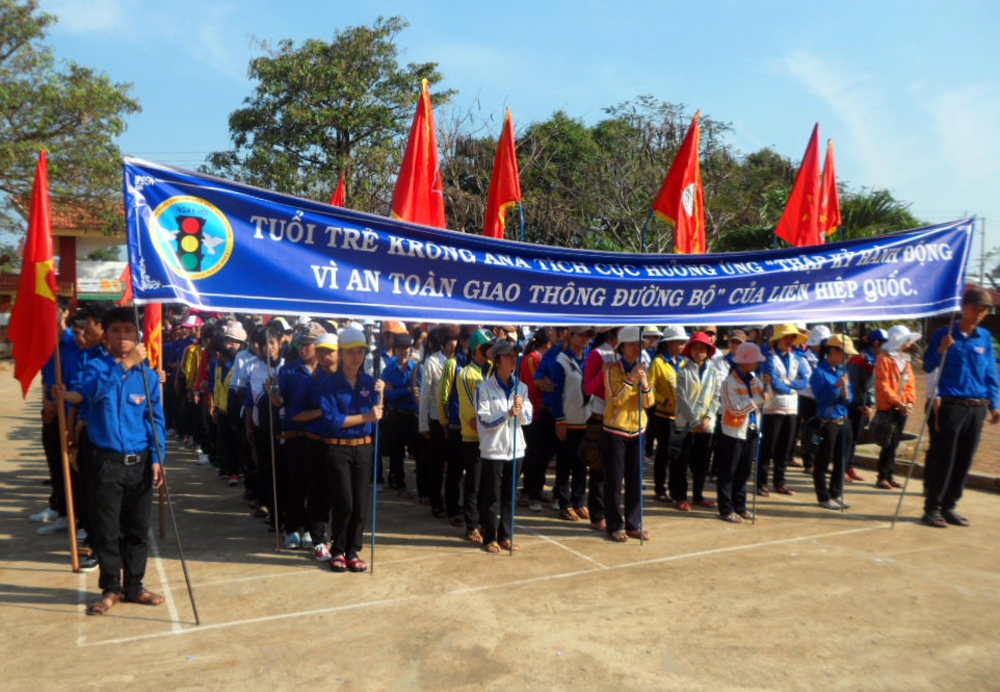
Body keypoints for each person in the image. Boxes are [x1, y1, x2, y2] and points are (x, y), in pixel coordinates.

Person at [70, 307, 166, 615]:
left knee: (137, 529)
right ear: (106, 336)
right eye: (115, 331)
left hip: (139, 462)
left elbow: (156, 419)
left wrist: (158, 457)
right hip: (105, 463)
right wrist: (123, 365)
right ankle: (111, 588)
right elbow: (90, 394)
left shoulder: (148, 375)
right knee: (106, 530)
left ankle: (135, 585)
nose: (122, 336)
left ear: (137, 335)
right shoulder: (93, 367)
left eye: (128, 330)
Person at [920, 287, 1000, 528]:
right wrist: (942, 349)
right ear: (965, 307)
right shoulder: (944, 333)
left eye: (984, 310)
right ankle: (932, 508)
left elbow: (990, 373)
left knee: (965, 459)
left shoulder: (985, 337)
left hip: (977, 407)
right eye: (976, 307)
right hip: (951, 405)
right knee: (945, 458)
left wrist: (995, 404)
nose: (979, 313)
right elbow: (927, 365)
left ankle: (950, 506)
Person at [315, 327, 383, 572]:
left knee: (361, 504)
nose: (356, 356)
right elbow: (332, 420)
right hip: (338, 449)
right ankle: (338, 549)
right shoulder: (329, 384)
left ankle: (353, 550)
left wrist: (381, 396)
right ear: (341, 354)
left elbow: (377, 415)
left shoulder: (370, 383)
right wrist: (366, 416)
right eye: (351, 352)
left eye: (361, 351)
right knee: (344, 502)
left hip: (363, 448)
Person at [476, 340, 533, 553]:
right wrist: (507, 413)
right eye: (508, 356)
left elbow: (528, 418)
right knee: (492, 496)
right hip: (493, 450)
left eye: (514, 356)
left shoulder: (522, 387)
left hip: (516, 450)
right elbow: (485, 420)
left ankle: (506, 535)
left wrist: (520, 409)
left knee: (510, 496)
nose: (513, 360)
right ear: (497, 360)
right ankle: (489, 537)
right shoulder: (484, 388)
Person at [602, 326, 655, 542]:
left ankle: (634, 523)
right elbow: (616, 399)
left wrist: (644, 384)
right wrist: (631, 379)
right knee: (615, 481)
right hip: (616, 430)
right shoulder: (612, 370)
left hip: (638, 429)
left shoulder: (643, 370)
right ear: (622, 347)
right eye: (632, 344)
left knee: (635, 479)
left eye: (639, 344)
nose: (636, 348)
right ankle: (615, 524)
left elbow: (650, 402)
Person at [716, 342, 768, 522]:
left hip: (752, 431)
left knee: (744, 471)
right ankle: (726, 509)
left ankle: (741, 506)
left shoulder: (754, 379)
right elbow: (735, 409)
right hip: (733, 432)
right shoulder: (729, 382)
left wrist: (765, 391)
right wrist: (759, 399)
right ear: (745, 362)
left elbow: (764, 399)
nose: (757, 364)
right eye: (755, 361)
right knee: (728, 472)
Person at [670, 332, 721, 511]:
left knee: (701, 464)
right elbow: (682, 399)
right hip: (685, 424)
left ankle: (698, 495)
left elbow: (716, 396)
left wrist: (708, 418)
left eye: (702, 348)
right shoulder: (683, 371)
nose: (698, 351)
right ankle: (680, 497)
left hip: (706, 426)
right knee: (681, 463)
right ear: (690, 350)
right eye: (695, 347)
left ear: (708, 351)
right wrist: (693, 421)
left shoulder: (714, 372)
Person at [759, 323, 809, 496]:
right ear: (778, 338)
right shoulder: (769, 357)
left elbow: (805, 381)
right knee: (768, 447)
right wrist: (792, 387)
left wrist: (788, 384)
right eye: (787, 337)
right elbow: (773, 382)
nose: (790, 340)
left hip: (792, 408)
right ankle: (761, 482)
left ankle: (780, 481)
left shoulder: (797, 358)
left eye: (792, 337)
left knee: (785, 448)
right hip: (773, 407)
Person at [809, 334, 856, 511]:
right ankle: (823, 496)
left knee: (841, 460)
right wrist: (835, 387)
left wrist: (845, 392)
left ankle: (836, 493)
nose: (847, 358)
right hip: (827, 421)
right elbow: (820, 398)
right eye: (845, 354)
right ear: (835, 351)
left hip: (843, 419)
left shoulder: (843, 371)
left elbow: (849, 398)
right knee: (823, 461)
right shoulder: (819, 372)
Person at [551, 326, 593, 521]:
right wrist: (559, 420)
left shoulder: (588, 360)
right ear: (572, 336)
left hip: (585, 421)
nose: (585, 338)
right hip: (568, 421)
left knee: (582, 464)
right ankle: (564, 503)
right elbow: (556, 393)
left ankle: (579, 500)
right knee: (564, 464)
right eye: (582, 334)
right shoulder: (561, 361)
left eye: (588, 335)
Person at [873, 325, 919, 489]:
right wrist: (899, 402)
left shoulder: (905, 360)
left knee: (895, 442)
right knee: (888, 443)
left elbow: (910, 384)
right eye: (906, 340)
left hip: (901, 407)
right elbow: (883, 386)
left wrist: (909, 402)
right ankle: (882, 476)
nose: (908, 344)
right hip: (888, 407)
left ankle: (889, 474)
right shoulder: (883, 359)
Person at [648, 325, 688, 503]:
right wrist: (663, 400)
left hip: (681, 416)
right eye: (679, 342)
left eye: (682, 342)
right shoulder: (658, 362)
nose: (681, 345)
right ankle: (659, 488)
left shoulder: (684, 362)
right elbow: (649, 387)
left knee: (678, 455)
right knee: (663, 453)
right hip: (664, 416)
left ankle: (675, 489)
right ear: (670, 343)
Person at [520, 327, 555, 512]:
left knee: (543, 454)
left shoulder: (542, 358)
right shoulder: (531, 359)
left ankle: (537, 488)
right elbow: (534, 385)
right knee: (533, 454)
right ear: (548, 343)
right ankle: (528, 491)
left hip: (543, 412)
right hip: (532, 412)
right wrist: (548, 385)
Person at [846, 329, 888, 482]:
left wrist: (870, 404)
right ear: (877, 343)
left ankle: (849, 467)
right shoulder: (858, 360)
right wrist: (862, 404)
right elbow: (853, 385)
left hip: (863, 407)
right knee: (847, 439)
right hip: (852, 406)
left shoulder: (875, 359)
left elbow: (872, 386)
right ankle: (843, 467)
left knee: (854, 439)